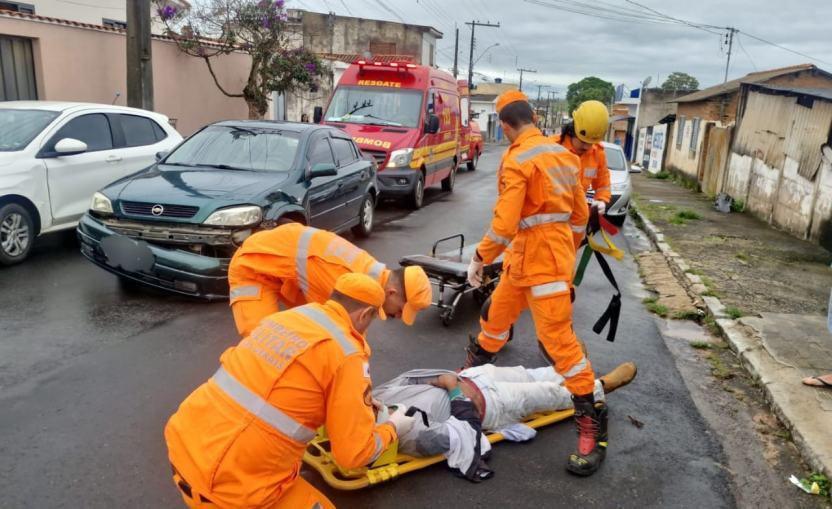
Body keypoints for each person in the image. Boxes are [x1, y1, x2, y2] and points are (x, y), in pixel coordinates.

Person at [164, 273, 418, 508]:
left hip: (185, 449)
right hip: (233, 488)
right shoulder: (347, 353)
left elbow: (283, 389)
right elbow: (353, 455)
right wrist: (392, 428)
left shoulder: (286, 318)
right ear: (365, 314)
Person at [464, 89, 607, 476]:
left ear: (508, 127)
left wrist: (479, 258)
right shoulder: (564, 156)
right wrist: (565, 249)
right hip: (531, 260)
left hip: (539, 263)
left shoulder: (517, 159)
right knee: (494, 321)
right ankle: (468, 387)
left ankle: (591, 426)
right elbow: (579, 218)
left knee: (561, 346)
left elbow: (505, 224)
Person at [373, 362, 637, 481]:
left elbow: (415, 378)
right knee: (549, 394)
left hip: (476, 377)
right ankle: (601, 387)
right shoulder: (404, 433)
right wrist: (452, 388)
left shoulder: (377, 397)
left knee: (531, 375)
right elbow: (457, 435)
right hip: (494, 404)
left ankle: (570, 365)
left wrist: (451, 378)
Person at [228, 222, 432, 337]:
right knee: (264, 342)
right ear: (392, 292)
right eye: (400, 310)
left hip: (283, 268)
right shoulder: (343, 280)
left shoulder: (370, 274)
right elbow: (344, 336)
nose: (398, 316)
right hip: (253, 267)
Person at [551, 100, 612, 223]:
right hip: (549, 220)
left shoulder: (597, 153)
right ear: (573, 130)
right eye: (583, 142)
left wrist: (601, 200)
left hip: (576, 219)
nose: (587, 147)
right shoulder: (551, 147)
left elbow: (603, 184)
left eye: (592, 143)